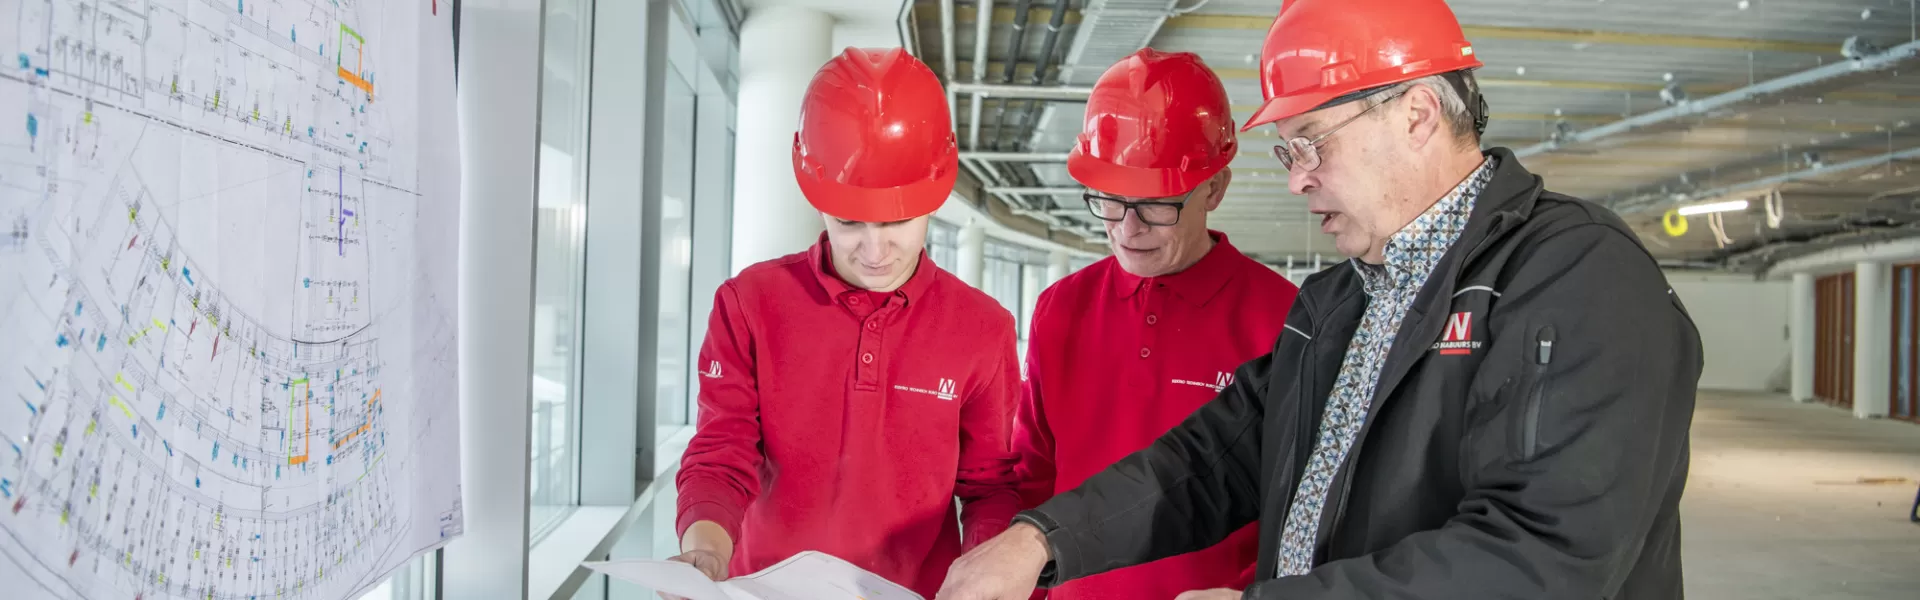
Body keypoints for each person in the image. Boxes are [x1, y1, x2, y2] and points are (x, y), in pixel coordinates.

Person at [937, 0, 1704, 598]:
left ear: (1417, 115)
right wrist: (1042, 539)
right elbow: (1214, 462)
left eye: (1312, 143)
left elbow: (1544, 554)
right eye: (1288, 151)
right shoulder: (1339, 301)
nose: (1297, 178)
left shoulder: (1579, 278)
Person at [670, 47, 1023, 599]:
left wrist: (989, 571)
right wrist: (705, 552)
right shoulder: (748, 304)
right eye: (849, 222)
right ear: (816, 196)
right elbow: (721, 454)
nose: (875, 252)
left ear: (935, 197)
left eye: (899, 222)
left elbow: (989, 488)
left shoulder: (984, 328)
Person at [1011, 48, 1299, 600]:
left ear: (1214, 188)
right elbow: (1034, 474)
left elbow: (1293, 506)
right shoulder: (1060, 307)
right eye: (1110, 202)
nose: (1127, 229)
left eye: (1156, 206)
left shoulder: (1284, 319)